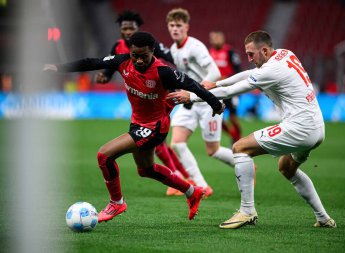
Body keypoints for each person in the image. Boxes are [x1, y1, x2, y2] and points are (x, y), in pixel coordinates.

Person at [44, 32, 225, 223]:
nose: (138, 60)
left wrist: (215, 103)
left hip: (155, 127)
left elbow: (194, 85)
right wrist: (57, 67)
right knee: (146, 170)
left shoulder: (163, 72)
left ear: (152, 52)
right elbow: (92, 62)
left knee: (104, 156)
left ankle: (117, 203)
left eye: (143, 56)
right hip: (138, 123)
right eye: (134, 55)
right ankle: (192, 191)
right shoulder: (122, 61)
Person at [167, 30, 336, 229]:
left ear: (264, 50)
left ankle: (247, 211)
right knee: (286, 167)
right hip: (317, 127)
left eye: (251, 54)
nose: (248, 59)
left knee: (240, 148)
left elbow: (231, 91)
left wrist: (193, 96)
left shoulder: (271, 70)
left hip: (300, 128)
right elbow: (248, 74)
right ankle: (323, 218)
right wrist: (217, 83)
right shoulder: (284, 53)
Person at [94, 10, 190, 196]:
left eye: (132, 28)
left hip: (161, 93)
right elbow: (110, 66)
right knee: (153, 153)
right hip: (141, 99)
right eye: (125, 28)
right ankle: (183, 180)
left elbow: (173, 59)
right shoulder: (118, 47)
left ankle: (181, 178)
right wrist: (104, 76)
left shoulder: (148, 44)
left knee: (157, 141)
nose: (128, 31)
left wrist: (181, 83)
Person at [166, 8, 235, 197]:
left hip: (207, 101)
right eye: (172, 25)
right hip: (189, 100)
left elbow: (214, 73)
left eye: (179, 25)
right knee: (177, 143)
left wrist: (194, 91)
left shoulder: (195, 47)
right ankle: (201, 185)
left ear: (187, 27)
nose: (175, 29)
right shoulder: (174, 49)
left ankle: (245, 163)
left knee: (212, 150)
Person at [209, 30, 242, 144]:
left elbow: (238, 71)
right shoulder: (210, 53)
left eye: (218, 38)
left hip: (230, 89)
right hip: (216, 90)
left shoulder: (230, 52)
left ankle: (238, 136)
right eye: (213, 38)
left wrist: (226, 78)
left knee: (233, 117)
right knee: (218, 117)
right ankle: (234, 136)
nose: (215, 40)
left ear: (223, 39)